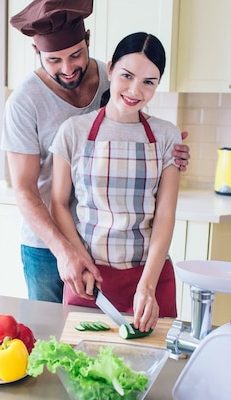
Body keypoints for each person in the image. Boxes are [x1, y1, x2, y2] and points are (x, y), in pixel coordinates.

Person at [1, 0, 190, 304]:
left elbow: (131, 118)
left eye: (76, 55)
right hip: (47, 245)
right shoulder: (24, 102)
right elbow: (24, 189)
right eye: (54, 60)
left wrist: (171, 151)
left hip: (106, 247)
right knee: (53, 340)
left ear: (88, 38)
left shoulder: (112, 74)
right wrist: (65, 251)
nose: (68, 68)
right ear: (37, 52)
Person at [50, 32, 179, 332]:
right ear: (110, 70)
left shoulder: (166, 136)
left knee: (154, 374)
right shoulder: (73, 131)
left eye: (149, 81)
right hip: (89, 279)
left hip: (150, 277)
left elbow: (165, 216)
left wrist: (147, 287)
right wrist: (80, 259)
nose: (136, 90)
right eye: (127, 75)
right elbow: (58, 203)